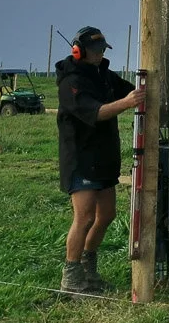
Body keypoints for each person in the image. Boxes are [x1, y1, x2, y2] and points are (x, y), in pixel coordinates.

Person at [55, 26, 144, 294]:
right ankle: (71, 277)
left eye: (103, 49)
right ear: (78, 51)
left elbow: (131, 91)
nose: (100, 54)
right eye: (95, 50)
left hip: (104, 157)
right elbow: (96, 113)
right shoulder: (71, 82)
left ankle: (88, 269)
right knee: (84, 218)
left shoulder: (104, 75)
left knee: (106, 215)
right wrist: (127, 102)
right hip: (81, 158)